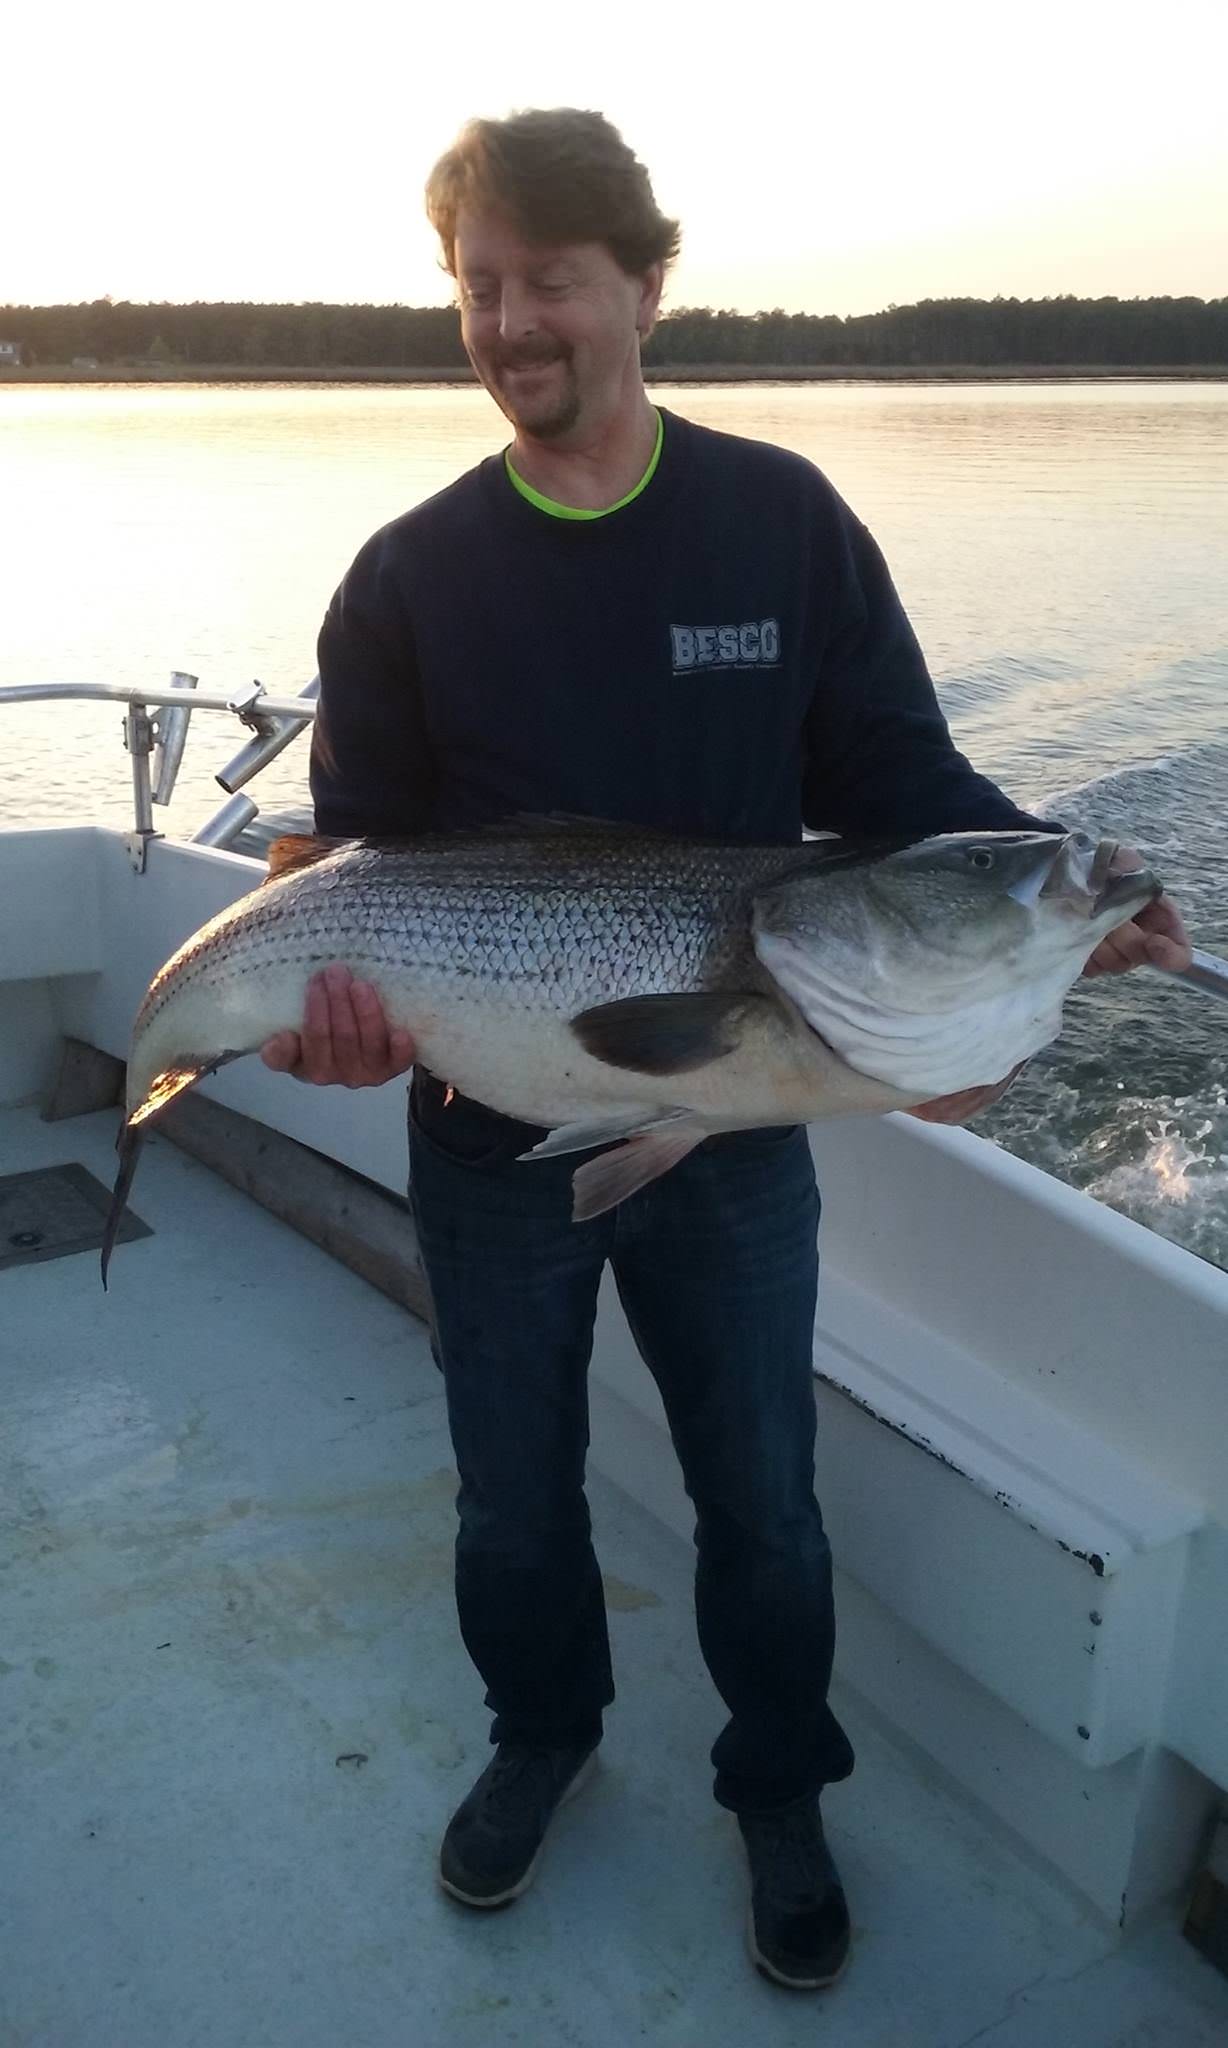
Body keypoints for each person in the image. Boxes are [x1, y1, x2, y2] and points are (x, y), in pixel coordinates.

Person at [261, 109, 1192, 1991]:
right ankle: (543, 1737)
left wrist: (1065, 898)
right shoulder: (407, 576)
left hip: (735, 1126)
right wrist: (323, 1031)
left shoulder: (781, 525)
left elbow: (908, 793)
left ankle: (779, 1785)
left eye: (549, 282)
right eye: (479, 287)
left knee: (763, 1493)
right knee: (510, 1491)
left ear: (645, 287)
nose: (510, 322)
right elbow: (336, 863)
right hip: (487, 1120)